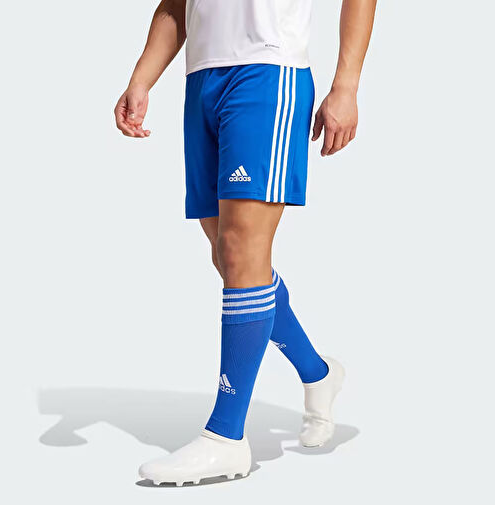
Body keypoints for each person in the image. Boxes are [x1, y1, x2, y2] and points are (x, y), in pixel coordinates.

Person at [114, 0, 376, 486]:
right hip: (202, 80)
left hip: (268, 70)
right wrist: (142, 77)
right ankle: (318, 374)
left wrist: (346, 84)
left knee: (240, 252)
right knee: (229, 256)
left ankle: (225, 436)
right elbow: (175, 6)